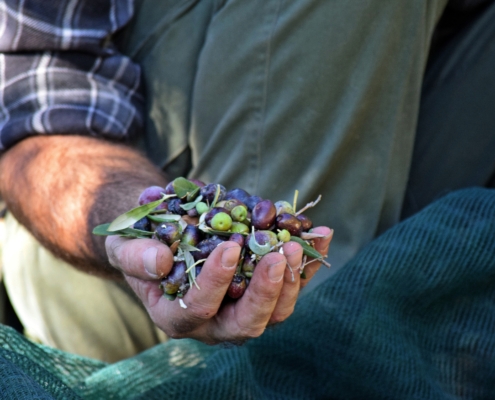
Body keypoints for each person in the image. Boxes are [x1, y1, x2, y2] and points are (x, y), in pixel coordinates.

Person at [0, 0, 494, 368]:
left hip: (395, 144)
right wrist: (147, 226)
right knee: (266, 321)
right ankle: (265, 367)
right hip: (97, 288)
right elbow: (27, 113)